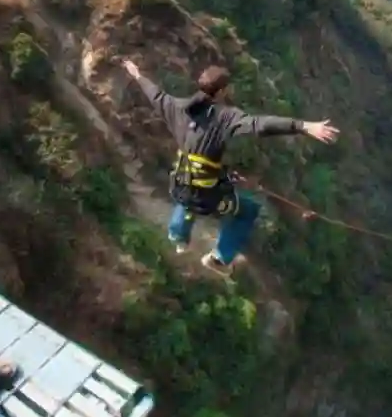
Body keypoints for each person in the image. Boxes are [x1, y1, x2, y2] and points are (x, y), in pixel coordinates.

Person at [122, 60, 339, 275]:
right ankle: (219, 258)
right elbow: (259, 124)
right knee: (248, 211)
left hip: (179, 186)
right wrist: (303, 126)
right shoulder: (226, 117)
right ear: (222, 91)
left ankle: (178, 235)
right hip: (208, 199)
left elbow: (155, 94)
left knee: (189, 193)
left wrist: (137, 74)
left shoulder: (177, 108)